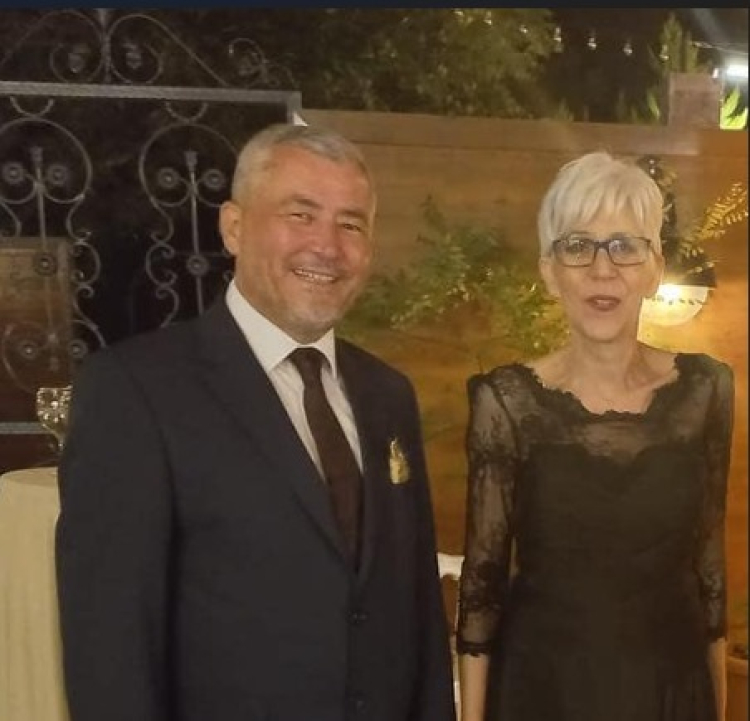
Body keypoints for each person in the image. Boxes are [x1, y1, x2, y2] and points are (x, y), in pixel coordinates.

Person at [56, 123, 456, 721]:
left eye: (351, 224)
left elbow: (418, 614)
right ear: (234, 227)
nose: (327, 246)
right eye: (301, 215)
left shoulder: (388, 395)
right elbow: (109, 650)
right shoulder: (136, 393)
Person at [456, 151, 734, 721]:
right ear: (549, 271)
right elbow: (482, 594)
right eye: (578, 245)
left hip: (671, 692)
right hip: (544, 693)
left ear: (654, 269)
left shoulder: (706, 390)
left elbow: (709, 572)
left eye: (625, 246)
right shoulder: (505, 401)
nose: (602, 269)